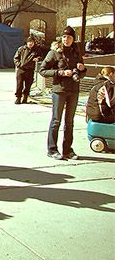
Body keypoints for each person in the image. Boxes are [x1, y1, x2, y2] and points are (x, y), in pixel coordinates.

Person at [39, 26, 87, 160]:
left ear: (73, 39)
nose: (66, 40)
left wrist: (82, 70)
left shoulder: (76, 52)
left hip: (73, 90)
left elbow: (81, 72)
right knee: (56, 120)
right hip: (59, 90)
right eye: (64, 37)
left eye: (69, 37)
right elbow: (42, 71)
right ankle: (52, 149)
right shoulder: (55, 52)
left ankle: (68, 150)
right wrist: (60, 73)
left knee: (70, 121)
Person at [13, 36, 42, 104]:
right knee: (19, 85)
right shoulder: (22, 49)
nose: (30, 43)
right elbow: (16, 58)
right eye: (29, 42)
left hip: (30, 70)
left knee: (28, 85)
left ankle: (25, 97)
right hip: (21, 70)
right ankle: (18, 97)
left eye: (32, 42)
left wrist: (38, 59)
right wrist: (19, 64)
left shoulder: (36, 50)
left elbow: (41, 57)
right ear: (27, 42)